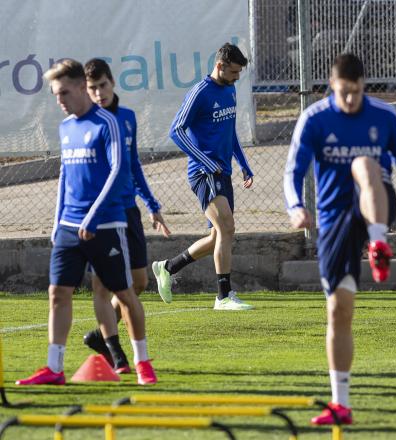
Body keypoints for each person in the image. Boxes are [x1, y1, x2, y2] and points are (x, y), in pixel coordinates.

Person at [284, 53, 396, 425]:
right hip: (334, 219)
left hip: (378, 201)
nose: (350, 100)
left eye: (356, 93)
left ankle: (378, 243)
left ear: (364, 86)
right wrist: (296, 207)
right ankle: (340, 403)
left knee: (363, 164)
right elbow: (293, 171)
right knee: (338, 310)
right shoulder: (314, 119)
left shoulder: (383, 115)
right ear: (332, 86)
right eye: (344, 93)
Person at [15, 59, 156, 386]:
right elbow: (65, 176)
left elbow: (117, 171)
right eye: (55, 94)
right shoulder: (66, 128)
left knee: (124, 294)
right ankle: (55, 368)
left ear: (81, 87)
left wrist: (93, 216)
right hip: (68, 227)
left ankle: (142, 362)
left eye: (64, 92)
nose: (60, 99)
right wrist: (57, 222)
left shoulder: (109, 123)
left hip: (105, 225)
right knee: (57, 293)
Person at [79, 58, 171, 374]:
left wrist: (152, 205)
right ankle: (116, 347)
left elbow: (132, 167)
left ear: (112, 83)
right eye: (92, 88)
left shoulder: (128, 118)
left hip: (129, 211)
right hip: (104, 216)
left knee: (140, 282)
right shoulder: (87, 123)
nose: (98, 93)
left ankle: (101, 337)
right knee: (112, 287)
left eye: (102, 86)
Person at [151, 43, 255, 311]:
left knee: (216, 238)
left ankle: (168, 267)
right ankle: (223, 296)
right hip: (204, 173)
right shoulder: (200, 92)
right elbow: (176, 131)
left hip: (223, 171)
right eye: (233, 71)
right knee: (227, 229)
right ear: (219, 66)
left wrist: (243, 164)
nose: (237, 77)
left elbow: (230, 133)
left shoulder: (229, 89)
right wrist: (206, 161)